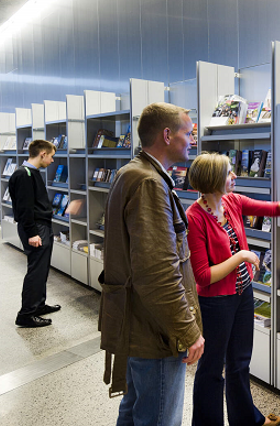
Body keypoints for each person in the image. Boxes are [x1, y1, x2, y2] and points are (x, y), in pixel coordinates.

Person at [186, 152, 280, 426]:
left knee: (239, 363)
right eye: (229, 172)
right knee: (211, 369)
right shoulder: (195, 217)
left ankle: (247, 420)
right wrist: (240, 257)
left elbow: (272, 209)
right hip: (215, 303)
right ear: (214, 179)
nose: (234, 176)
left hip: (242, 295)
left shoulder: (233, 202)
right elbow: (203, 277)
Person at [99, 103, 205, 426]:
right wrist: (188, 331)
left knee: (134, 413)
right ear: (167, 134)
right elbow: (158, 274)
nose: (192, 141)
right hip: (155, 335)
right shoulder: (149, 184)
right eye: (188, 133)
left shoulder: (134, 173)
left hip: (139, 326)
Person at [9, 139, 60, 328]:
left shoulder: (32, 173)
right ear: (43, 154)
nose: (52, 161)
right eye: (52, 156)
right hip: (35, 229)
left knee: (42, 269)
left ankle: (38, 305)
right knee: (36, 270)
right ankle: (26, 314)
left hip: (41, 226)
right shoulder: (24, 174)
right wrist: (32, 233)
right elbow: (24, 208)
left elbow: (35, 202)